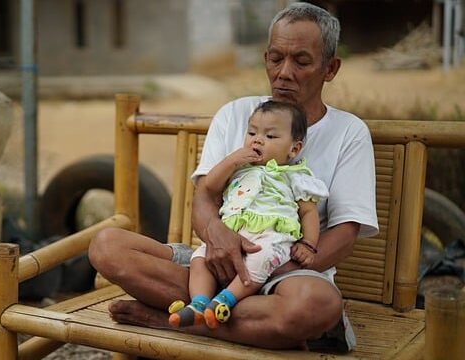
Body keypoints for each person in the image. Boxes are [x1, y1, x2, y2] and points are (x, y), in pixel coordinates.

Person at [89, 2, 378, 352]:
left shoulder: (349, 132)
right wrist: (220, 240)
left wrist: (268, 270)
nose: (284, 72)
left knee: (317, 306)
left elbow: (346, 233)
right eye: (275, 58)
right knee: (106, 247)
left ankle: (170, 320)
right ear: (265, 57)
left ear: (330, 68)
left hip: (285, 273)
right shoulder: (237, 114)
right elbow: (205, 198)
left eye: (301, 61)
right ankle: (247, 320)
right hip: (213, 260)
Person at [168, 100, 328, 330]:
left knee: (261, 259)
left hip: (271, 237)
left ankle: (225, 300)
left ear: (294, 149)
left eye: (271, 136)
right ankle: (199, 303)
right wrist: (232, 160)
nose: (257, 139)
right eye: (252, 132)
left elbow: (308, 212)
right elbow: (209, 187)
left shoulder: (296, 176)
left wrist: (309, 244)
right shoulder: (239, 169)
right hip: (231, 234)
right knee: (200, 257)